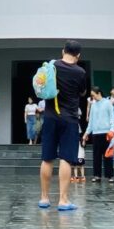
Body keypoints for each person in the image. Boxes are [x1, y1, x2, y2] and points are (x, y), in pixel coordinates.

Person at [38, 39, 86, 211]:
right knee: (66, 158)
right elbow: (82, 92)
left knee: (47, 158)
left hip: (50, 117)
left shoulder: (52, 66)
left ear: (62, 50)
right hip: (70, 119)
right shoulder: (80, 72)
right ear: (78, 55)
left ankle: (44, 198)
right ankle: (63, 200)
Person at [83, 86, 114, 183]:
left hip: (107, 133)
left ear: (99, 93)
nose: (92, 98)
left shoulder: (107, 103)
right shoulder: (93, 105)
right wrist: (86, 133)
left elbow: (112, 118)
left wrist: (112, 130)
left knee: (107, 155)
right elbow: (91, 122)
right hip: (96, 134)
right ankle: (97, 175)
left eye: (93, 95)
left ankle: (110, 175)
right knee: (96, 156)